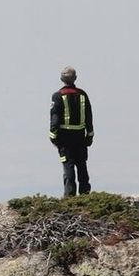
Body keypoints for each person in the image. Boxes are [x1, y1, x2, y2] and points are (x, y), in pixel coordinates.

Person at [48, 66, 94, 198]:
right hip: (80, 137)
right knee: (81, 164)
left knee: (68, 165)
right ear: (75, 78)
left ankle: (69, 196)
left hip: (64, 138)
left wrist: (53, 137)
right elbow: (89, 116)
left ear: (61, 79)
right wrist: (89, 135)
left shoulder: (57, 96)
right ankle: (85, 194)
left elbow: (55, 118)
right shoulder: (82, 95)